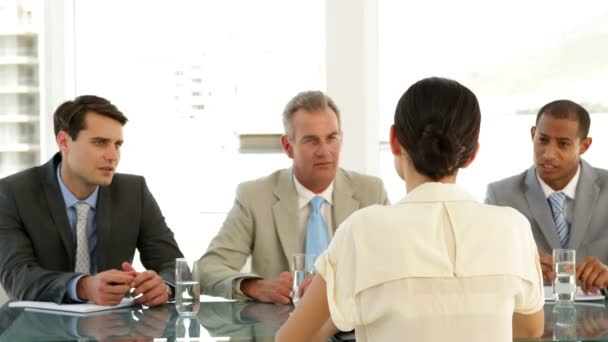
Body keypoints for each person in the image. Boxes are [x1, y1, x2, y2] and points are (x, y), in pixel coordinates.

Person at [276, 77, 544, 341]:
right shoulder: (513, 226)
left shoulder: (362, 230)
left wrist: (344, 308)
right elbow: (531, 329)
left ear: (394, 140)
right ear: (472, 154)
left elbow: (292, 338)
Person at [198, 90, 389, 304]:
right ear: (288, 147)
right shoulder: (255, 197)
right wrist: (256, 287)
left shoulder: (371, 192)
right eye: (311, 141)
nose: (324, 151)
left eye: (332, 138)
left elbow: (394, 266)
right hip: (282, 329)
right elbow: (207, 269)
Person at [0, 95, 184, 306]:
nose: (112, 155)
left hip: (114, 331)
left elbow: (174, 265)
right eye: (100, 143)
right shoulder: (12, 193)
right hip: (38, 329)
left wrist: (164, 286)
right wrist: (84, 286)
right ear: (64, 141)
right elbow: (17, 277)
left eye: (117, 144)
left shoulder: (134, 192)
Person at [486, 100, 608, 293]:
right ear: (533, 135)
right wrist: (517, 269)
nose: (549, 154)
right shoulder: (500, 197)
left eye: (563, 144)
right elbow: (484, 272)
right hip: (529, 320)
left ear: (584, 145)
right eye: (543, 140)